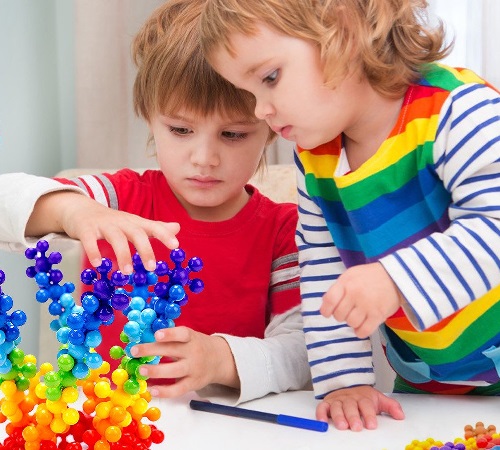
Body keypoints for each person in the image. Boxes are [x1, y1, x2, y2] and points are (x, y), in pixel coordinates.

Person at [199, 0, 500, 431]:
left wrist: (395, 280)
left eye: (269, 78)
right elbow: (324, 270)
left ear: (342, 28)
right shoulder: (316, 159)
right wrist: (345, 384)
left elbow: (494, 227)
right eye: (250, 94)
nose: (260, 110)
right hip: (431, 382)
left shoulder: (459, 111)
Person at [0, 0, 311, 404]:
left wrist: (221, 359)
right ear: (150, 117)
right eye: (180, 129)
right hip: (103, 421)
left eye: (233, 134)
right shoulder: (117, 198)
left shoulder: (286, 230)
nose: (204, 158)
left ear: (271, 126)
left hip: (223, 426)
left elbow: (305, 354)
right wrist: (73, 210)